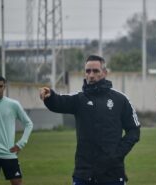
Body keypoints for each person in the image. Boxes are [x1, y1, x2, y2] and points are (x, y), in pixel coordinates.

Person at [39, 55, 140, 185]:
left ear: (104, 73)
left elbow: (134, 130)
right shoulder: (79, 99)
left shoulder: (120, 100)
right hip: (83, 173)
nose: (91, 75)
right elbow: (59, 102)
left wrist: (116, 155)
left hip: (112, 173)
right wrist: (50, 96)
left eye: (95, 71)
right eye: (88, 71)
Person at [0, 76, 33, 185]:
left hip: (9, 153)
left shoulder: (13, 105)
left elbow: (28, 124)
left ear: (4, 87)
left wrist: (21, 143)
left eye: (0, 86)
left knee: (17, 183)